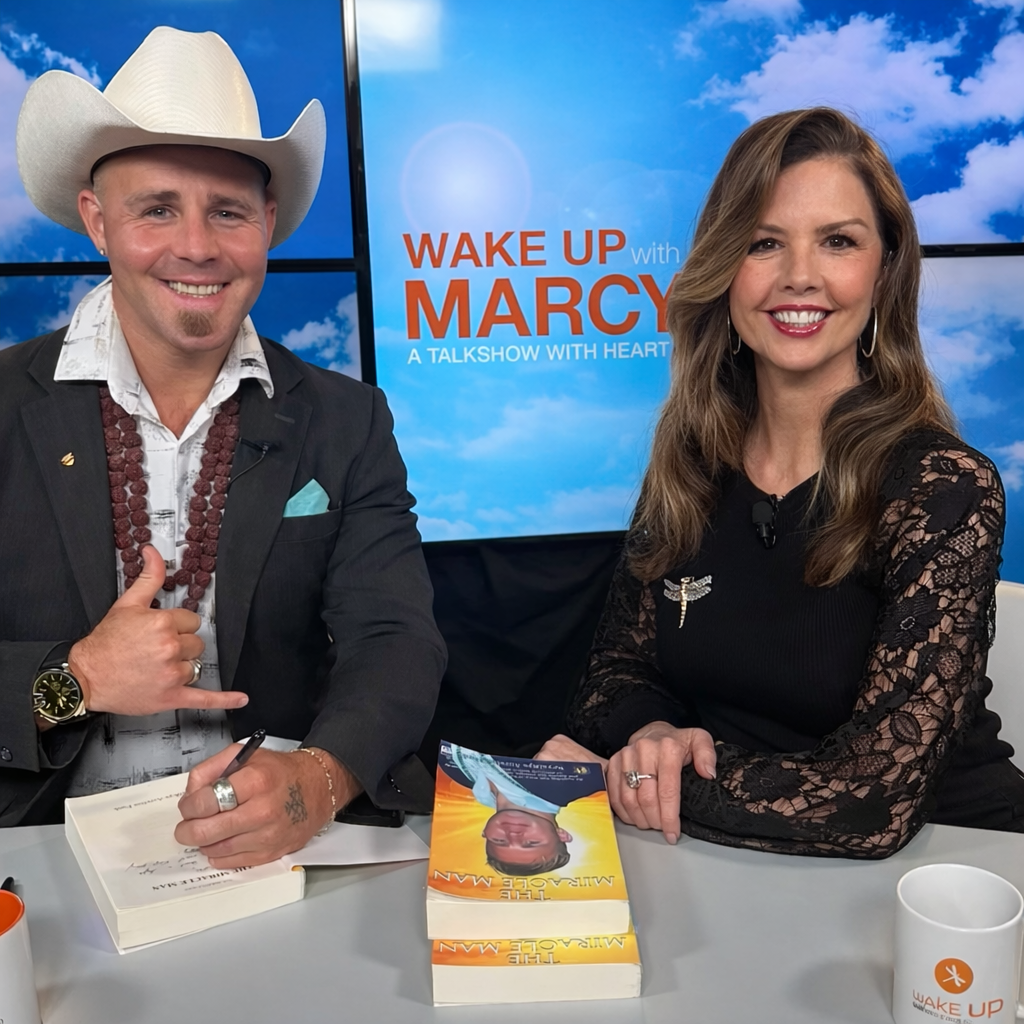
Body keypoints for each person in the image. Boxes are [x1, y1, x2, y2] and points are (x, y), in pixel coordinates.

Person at [0, 27, 445, 865]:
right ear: (97, 220)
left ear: (267, 223)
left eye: (228, 211)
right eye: (157, 208)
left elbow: (395, 641)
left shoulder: (347, 419)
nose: (198, 246)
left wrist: (319, 778)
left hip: (282, 851)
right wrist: (77, 679)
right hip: (40, 857)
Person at [539, 107, 1024, 858]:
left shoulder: (945, 489)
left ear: (885, 269)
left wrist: (628, 782)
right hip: (740, 862)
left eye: (838, 241)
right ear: (726, 269)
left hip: (952, 870)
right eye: (764, 242)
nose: (800, 275)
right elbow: (612, 673)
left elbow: (870, 800)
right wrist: (653, 734)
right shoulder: (690, 467)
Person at [444, 742, 578, 876]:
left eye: (499, 841)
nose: (513, 835)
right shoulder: (571, 784)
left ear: (484, 833)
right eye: (531, 843)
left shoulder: (455, 776)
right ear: (561, 835)